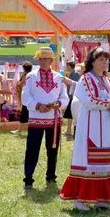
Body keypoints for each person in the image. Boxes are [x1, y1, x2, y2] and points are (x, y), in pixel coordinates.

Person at [60, 47, 110, 211]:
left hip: (106, 125)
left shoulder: (107, 80)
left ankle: (102, 198)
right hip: (90, 124)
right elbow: (89, 100)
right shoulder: (85, 79)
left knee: (104, 160)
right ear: (92, 61)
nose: (105, 63)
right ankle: (79, 200)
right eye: (101, 59)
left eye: (106, 59)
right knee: (87, 160)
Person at [22, 47, 69, 189]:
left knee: (52, 149)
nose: (43, 61)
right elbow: (25, 96)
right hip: (36, 118)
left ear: (51, 60)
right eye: (40, 58)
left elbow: (64, 96)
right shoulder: (31, 76)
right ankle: (28, 178)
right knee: (32, 149)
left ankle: (51, 175)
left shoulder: (58, 77)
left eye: (45, 58)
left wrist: (59, 104)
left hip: (53, 119)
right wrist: (37, 106)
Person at [12, 61, 33, 136]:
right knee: (27, 114)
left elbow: (22, 85)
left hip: (26, 98)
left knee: (24, 115)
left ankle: (19, 130)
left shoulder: (26, 76)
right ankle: (20, 130)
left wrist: (20, 83)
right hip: (30, 98)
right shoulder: (32, 75)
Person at [63, 61, 80, 135]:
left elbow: (75, 84)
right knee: (70, 114)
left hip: (73, 97)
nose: (66, 67)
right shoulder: (72, 74)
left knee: (70, 114)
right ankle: (69, 129)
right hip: (71, 96)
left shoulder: (75, 74)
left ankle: (69, 130)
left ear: (70, 66)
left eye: (67, 65)